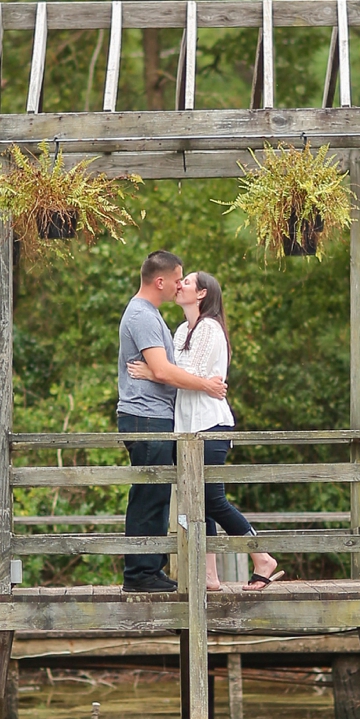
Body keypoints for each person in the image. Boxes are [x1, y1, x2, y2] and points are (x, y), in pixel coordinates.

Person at [127, 271, 282, 590]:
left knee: (212, 499)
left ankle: (262, 556)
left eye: (187, 281)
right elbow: (176, 373)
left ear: (201, 294)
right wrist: (163, 372)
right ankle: (209, 575)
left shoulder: (210, 328)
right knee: (195, 501)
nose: (179, 284)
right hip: (186, 427)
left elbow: (190, 373)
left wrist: (155, 373)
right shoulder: (182, 329)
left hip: (210, 424)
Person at [117, 252, 229, 594]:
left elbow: (161, 370)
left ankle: (150, 568)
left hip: (155, 416)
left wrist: (158, 372)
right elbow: (164, 370)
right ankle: (140, 573)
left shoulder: (151, 315)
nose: (180, 285)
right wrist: (207, 385)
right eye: (177, 279)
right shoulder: (143, 316)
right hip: (146, 416)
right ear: (160, 282)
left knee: (156, 495)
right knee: (149, 496)